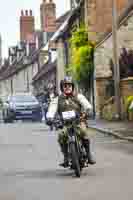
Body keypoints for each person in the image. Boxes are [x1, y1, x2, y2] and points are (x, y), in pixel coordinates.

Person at [46, 76, 96, 167]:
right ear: (62, 87)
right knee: (61, 135)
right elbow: (52, 109)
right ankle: (65, 157)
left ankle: (88, 155)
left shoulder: (79, 96)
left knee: (84, 131)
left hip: (78, 121)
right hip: (65, 123)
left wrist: (88, 111)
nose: (67, 87)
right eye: (65, 86)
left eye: (69, 85)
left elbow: (87, 105)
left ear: (72, 86)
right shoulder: (57, 99)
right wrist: (49, 118)